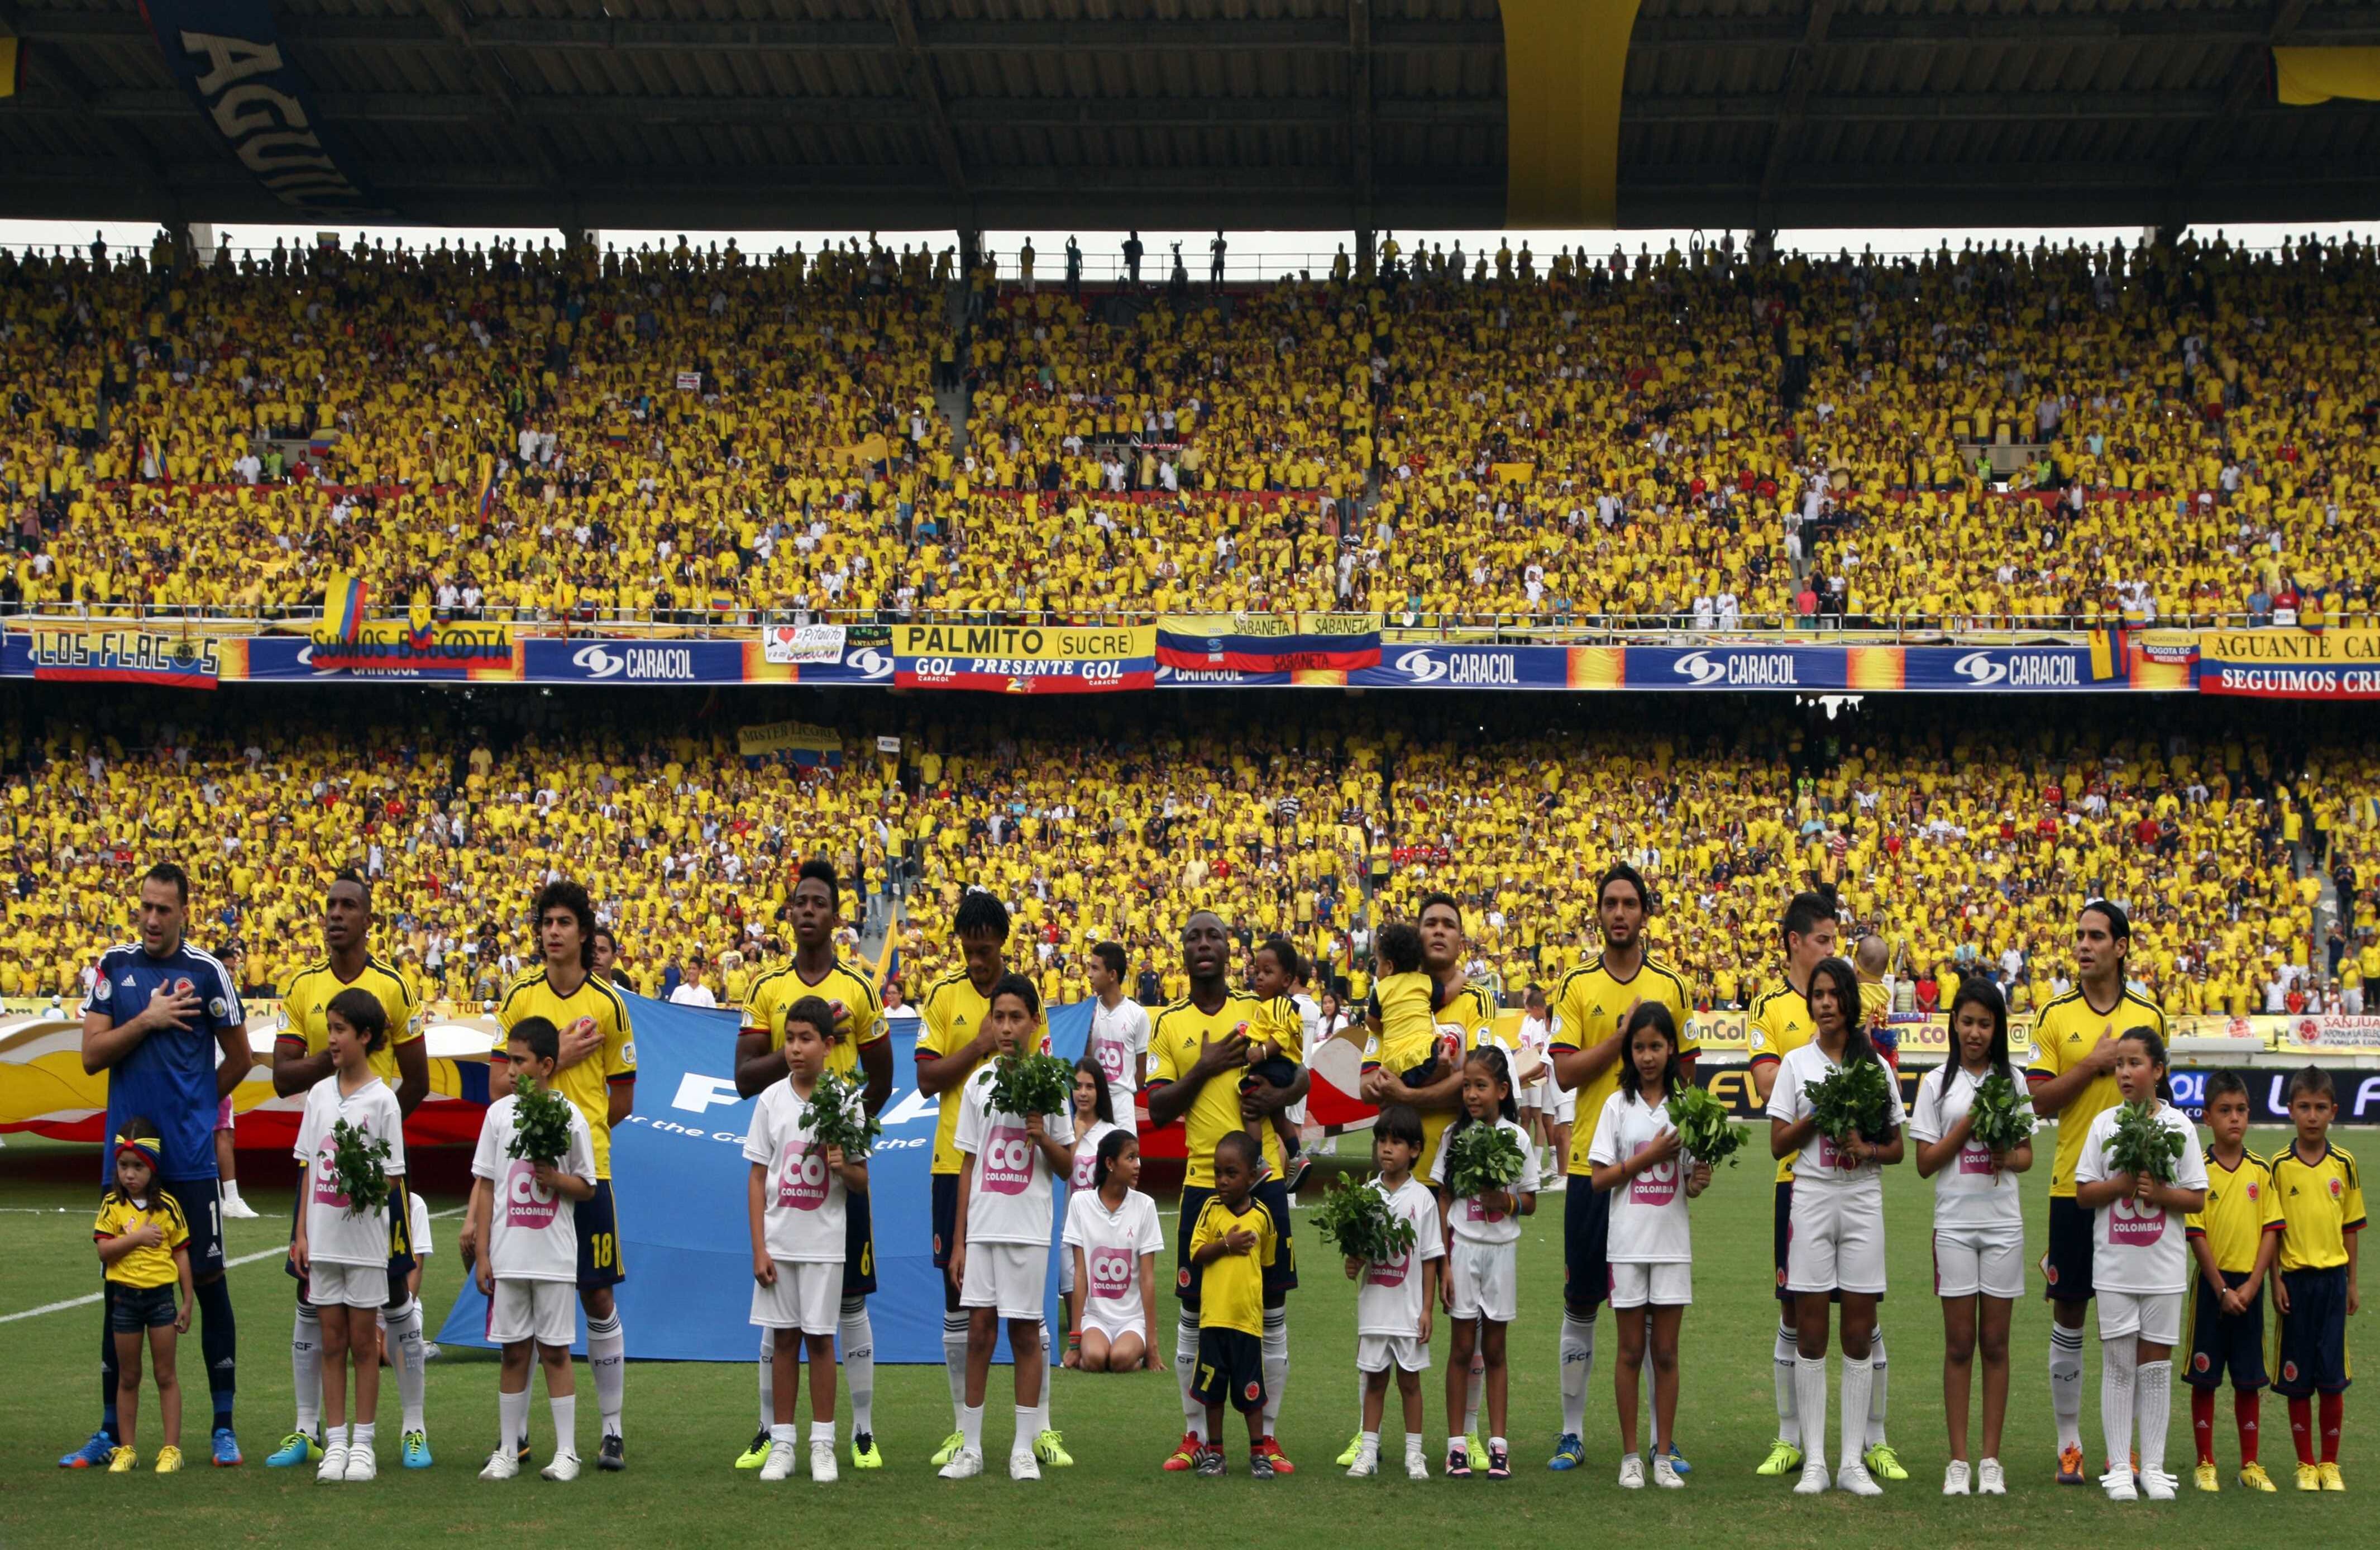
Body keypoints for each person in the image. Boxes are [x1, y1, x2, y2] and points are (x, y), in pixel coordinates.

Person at [65, 862, 250, 1471]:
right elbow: (91, 1055)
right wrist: (144, 1020)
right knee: (120, 1287)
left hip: (192, 1162)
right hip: (127, 1165)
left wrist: (198, 1107)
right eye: (145, 906)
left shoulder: (207, 973)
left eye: (163, 909)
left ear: (183, 912)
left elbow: (242, 1057)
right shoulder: (113, 968)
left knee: (211, 1285)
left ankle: (222, 1426)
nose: (150, 919)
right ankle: (108, 1430)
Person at [267, 873, 433, 1472]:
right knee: (312, 1303)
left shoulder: (392, 986)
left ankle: (410, 1428)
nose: (336, 915)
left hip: (372, 1183)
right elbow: (282, 1078)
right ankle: (311, 1431)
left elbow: (417, 1079)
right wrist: (332, 1070)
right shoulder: (302, 986)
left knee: (395, 1298)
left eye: (349, 907)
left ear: (368, 918)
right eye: (330, 906)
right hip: (324, 1174)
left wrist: (368, 1136)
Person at [731, 860, 891, 1472]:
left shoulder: (859, 987)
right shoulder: (765, 988)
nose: (806, 910)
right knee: (781, 1321)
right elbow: (745, 1079)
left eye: (818, 902)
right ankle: (774, 1435)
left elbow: (881, 1077)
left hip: (835, 1179)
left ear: (834, 915)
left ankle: (858, 1431)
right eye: (798, 901)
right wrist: (795, 1053)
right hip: (787, 1183)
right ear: (790, 911)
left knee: (845, 1306)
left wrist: (844, 1131)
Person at [477, 879, 636, 1472]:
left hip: (586, 1168)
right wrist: (560, 1060)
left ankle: (612, 1430)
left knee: (597, 1295)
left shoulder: (610, 1003)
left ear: (584, 932)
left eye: (564, 921)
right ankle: (514, 1439)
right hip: (522, 1178)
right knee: (518, 1307)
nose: (552, 931)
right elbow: (497, 1086)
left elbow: (622, 1099)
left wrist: (580, 1146)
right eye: (546, 921)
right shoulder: (519, 998)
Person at [1547, 864, 1696, 1475]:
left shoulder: (1671, 984)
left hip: (1656, 1175)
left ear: (1644, 913)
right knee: (1583, 1302)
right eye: (1608, 903)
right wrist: (1621, 1036)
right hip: (1592, 1167)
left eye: (1628, 903)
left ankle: (1663, 1441)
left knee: (1659, 1317)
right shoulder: (1576, 985)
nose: (1618, 913)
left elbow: (1687, 1079)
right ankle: (1572, 1433)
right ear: (1598, 912)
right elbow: (1562, 1073)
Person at [1148, 909, 1305, 1476]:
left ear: (1228, 946)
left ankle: (1266, 1438)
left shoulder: (1256, 1010)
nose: (1204, 943)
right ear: (1183, 952)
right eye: (1193, 936)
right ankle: (1195, 1437)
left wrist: (1272, 1103)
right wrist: (1204, 1066)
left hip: (1262, 1186)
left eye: (1213, 934)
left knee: (1270, 1311)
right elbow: (1159, 1108)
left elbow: (1301, 1075)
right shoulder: (1167, 1023)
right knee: (1194, 1314)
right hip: (1198, 1189)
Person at [916, 891, 1067, 1470]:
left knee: (1026, 1317)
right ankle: (965, 1433)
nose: (976, 960)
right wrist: (976, 1047)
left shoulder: (1027, 1002)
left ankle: (1038, 1431)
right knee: (964, 1308)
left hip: (1021, 1187)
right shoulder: (943, 996)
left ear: (1001, 943)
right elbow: (927, 1080)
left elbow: (1045, 1071)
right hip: (958, 1165)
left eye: (985, 950)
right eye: (968, 950)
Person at [2028, 899, 2167, 1486]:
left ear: (2120, 946)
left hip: (2134, 1193)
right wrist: (2092, 1064)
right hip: (2073, 1188)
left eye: (2094, 936)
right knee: (2069, 1314)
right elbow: (2036, 1101)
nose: (2082, 946)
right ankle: (2068, 1444)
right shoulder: (2054, 1014)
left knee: (2132, 1323)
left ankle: (2127, 1449)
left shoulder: (2148, 1015)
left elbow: (2157, 1102)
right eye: (2078, 936)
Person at [1767, 956, 1906, 1497]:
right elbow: (1778, 1143)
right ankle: (1815, 1463)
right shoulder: (1796, 1064)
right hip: (1811, 1196)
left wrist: (1864, 1147)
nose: (1823, 1003)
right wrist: (1816, 1118)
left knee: (1856, 1333)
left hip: (1862, 1199)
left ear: (1848, 1001)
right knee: (1810, 1333)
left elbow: (1896, 1148)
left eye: (1832, 994)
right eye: (1817, 994)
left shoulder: (1875, 1068)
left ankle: (1851, 1463)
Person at [943, 974, 1075, 1481]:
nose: (1005, 1026)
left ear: (1034, 1022)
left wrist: (1042, 1136)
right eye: (998, 1016)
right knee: (978, 1331)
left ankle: (1023, 1446)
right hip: (983, 1230)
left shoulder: (1048, 1082)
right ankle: (970, 1448)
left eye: (1015, 1016)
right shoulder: (977, 1084)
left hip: (1027, 1228)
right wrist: (959, 1240)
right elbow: (968, 1166)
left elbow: (1067, 1167)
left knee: (1024, 1332)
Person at [1910, 980, 2034, 1497]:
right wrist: (1967, 1128)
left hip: (2003, 1226)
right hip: (1956, 1227)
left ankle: (1990, 1460)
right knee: (1960, 1344)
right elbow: (1924, 1163)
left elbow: (2026, 1154)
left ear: (1997, 1028)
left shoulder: (2015, 1080)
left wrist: (2009, 1156)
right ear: (1953, 1024)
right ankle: (1958, 1460)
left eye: (1985, 1023)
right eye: (1967, 1021)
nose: (1976, 1032)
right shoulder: (1936, 1083)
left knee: (1996, 1344)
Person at [2073, 1025, 2207, 1502]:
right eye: (2119, 1064)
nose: (2125, 1072)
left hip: (2163, 1269)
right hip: (2114, 1267)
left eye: (2134, 1063)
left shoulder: (2180, 1127)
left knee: (2155, 1367)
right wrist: (2124, 1183)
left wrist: (2161, 1193)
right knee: (2118, 1364)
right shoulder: (2104, 1124)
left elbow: (2196, 1198)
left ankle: (2151, 1466)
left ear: (2158, 1070)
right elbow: (2085, 1192)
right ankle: (2118, 1467)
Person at [743, 995, 871, 1484]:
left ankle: (822, 1444)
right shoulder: (771, 1100)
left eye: (806, 1039)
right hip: (780, 1244)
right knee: (782, 1342)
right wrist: (759, 1246)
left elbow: (861, 1181)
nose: (796, 1049)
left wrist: (846, 1166)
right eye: (790, 1039)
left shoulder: (846, 1100)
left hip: (823, 1245)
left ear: (828, 1045)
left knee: (821, 1341)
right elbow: (758, 1177)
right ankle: (783, 1443)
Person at [469, 1015, 597, 1483]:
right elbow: (485, 1187)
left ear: (546, 1064)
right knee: (513, 1353)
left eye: (519, 1061)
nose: (509, 1070)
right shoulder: (497, 1116)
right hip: (508, 1255)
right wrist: (483, 1254)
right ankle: (507, 1448)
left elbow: (587, 1186)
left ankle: (567, 1452)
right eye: (507, 1059)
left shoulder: (571, 1115)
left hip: (555, 1257)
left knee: (557, 1352)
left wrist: (555, 1179)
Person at [1586, 1004, 1707, 1490]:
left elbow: (1689, 1181)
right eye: (1640, 1047)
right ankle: (1631, 1456)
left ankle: (1663, 1454)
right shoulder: (1617, 1105)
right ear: (1629, 1052)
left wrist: (1697, 1180)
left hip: (1672, 1244)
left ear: (1672, 1048)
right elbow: (1598, 1180)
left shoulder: (1688, 1105)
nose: (1648, 1055)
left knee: (1667, 1353)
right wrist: (1650, 1157)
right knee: (1631, 1350)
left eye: (1657, 1046)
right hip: (1629, 1245)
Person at [291, 988, 409, 1484]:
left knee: (365, 1342)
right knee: (330, 1341)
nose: (331, 1038)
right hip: (323, 1241)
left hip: (364, 1244)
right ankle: (334, 1442)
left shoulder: (383, 1100)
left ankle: (363, 1444)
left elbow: (393, 1177)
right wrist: (300, 1233)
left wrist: (366, 1184)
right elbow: (307, 1165)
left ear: (365, 1036)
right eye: (329, 1028)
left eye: (340, 1030)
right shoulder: (319, 1094)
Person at [1429, 1046, 1538, 1480]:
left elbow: (1530, 1200)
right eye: (1467, 1085)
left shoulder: (1518, 1138)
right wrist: (1444, 1264)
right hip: (1463, 1249)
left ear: (1503, 1090)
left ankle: (1498, 1446)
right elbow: (1443, 1196)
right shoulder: (1455, 1136)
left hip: (1501, 1253)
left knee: (1495, 1350)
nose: (1472, 1094)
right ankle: (1457, 1445)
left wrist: (1506, 1201)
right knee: (1459, 1349)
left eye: (1481, 1085)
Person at [2181, 1068, 2281, 1494]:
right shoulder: (2198, 1170)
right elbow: (2195, 1232)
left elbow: (2271, 1230)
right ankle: (2205, 1462)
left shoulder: (2260, 1170)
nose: (2234, 1119)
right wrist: (2221, 1288)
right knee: (2204, 1377)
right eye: (2225, 1110)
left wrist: (2254, 1284)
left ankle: (2250, 1463)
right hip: (2211, 1287)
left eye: (2241, 1110)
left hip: (2249, 1289)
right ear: (2208, 1117)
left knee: (2248, 1378)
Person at [2271, 1065, 2364, 1492]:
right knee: (2297, 1376)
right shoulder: (2278, 1166)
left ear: (2333, 1111)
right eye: (2304, 1106)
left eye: (2320, 1107)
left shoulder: (2345, 1163)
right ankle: (2305, 1463)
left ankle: (2331, 1462)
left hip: (2332, 1283)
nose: (2312, 1115)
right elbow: (2271, 1230)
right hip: (2295, 1282)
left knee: (2331, 1374)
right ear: (2290, 1110)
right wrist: (2275, 1280)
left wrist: (2353, 1281)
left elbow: (2350, 1226)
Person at [1344, 1103, 1444, 1480]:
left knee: (1410, 1381)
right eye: (1381, 1140)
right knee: (1375, 1379)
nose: (1386, 1148)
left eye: (1396, 1142)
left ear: (1415, 1150)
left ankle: (1414, 1454)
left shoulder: (1423, 1200)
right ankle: (1368, 1451)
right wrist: (1352, 1263)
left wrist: (1428, 1309)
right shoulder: (1366, 1195)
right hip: (1375, 1309)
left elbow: (1431, 1257)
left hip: (1408, 1309)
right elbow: (1357, 1251)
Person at [93, 1122, 194, 1473]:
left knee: (166, 1374)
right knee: (128, 1376)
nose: (130, 1175)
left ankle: (171, 1448)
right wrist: (136, 1239)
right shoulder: (112, 1206)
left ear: (153, 1168)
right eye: (124, 1166)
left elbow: (182, 1254)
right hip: (125, 1301)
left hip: (161, 1301)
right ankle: (127, 1448)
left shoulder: (168, 1207)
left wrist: (187, 1300)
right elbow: (104, 1251)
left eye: (138, 1167)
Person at [1186, 1131, 1278, 1477]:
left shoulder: (1263, 1217)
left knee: (1251, 1391)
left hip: (1246, 1323)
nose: (1222, 1181)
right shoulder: (1210, 1211)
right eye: (1217, 1172)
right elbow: (1196, 1253)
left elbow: (1266, 1265)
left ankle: (1259, 1452)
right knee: (1212, 1392)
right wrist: (1226, 1245)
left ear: (1251, 1177)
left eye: (1231, 1173)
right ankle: (1216, 1453)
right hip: (1213, 1321)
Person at [1064, 1129, 1164, 1375]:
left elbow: (1147, 1278)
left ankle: (1132, 1355)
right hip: (1095, 1317)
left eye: (1138, 1158)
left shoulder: (1146, 1206)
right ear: (1110, 1163)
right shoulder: (1080, 1203)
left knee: (1119, 1360)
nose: (1138, 1165)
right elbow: (1080, 1275)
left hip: (1132, 1319)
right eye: (1131, 1158)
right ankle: (1092, 1352)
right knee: (1096, 1359)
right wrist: (1075, 1343)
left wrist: (1152, 1345)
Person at [1059, 1058, 1122, 1367]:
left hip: (1102, 1230)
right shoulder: (1063, 1128)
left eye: (1090, 1087)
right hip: (1069, 1229)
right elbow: (1059, 1173)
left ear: (1100, 1091)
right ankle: (1082, 1343)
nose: (1082, 1093)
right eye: (1077, 1086)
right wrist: (1075, 1136)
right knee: (1078, 1306)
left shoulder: (1112, 1134)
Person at [1242, 937, 1309, 1176]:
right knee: (1278, 1114)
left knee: (1248, 1103)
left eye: (1267, 972)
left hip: (1278, 1064)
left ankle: (1257, 1160)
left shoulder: (1279, 1004)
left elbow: (1280, 1038)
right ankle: (1297, 1155)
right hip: (1281, 1065)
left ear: (1286, 980)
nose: (1259, 977)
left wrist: (1259, 1052)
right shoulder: (1272, 1003)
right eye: (1257, 971)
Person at [1084, 941, 1150, 1128]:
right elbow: (1085, 1062)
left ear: (1112, 975)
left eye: (1095, 968)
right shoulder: (1088, 1012)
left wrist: (1125, 1098)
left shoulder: (1138, 1015)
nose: (1089, 975)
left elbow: (1141, 1070)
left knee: (1125, 1157)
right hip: (1093, 1104)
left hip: (1123, 1106)